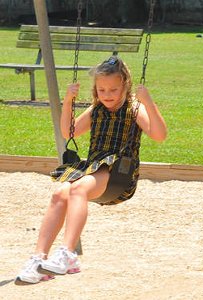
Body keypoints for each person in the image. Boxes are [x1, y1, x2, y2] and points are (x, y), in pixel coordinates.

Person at [15, 56, 168, 285]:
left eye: (113, 89)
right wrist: (68, 101)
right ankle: (39, 259)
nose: (107, 94)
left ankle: (67, 253)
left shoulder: (135, 108)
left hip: (119, 172)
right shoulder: (97, 109)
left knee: (78, 190)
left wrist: (149, 102)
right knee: (59, 194)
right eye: (102, 89)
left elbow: (159, 135)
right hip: (95, 168)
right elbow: (69, 132)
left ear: (125, 85)